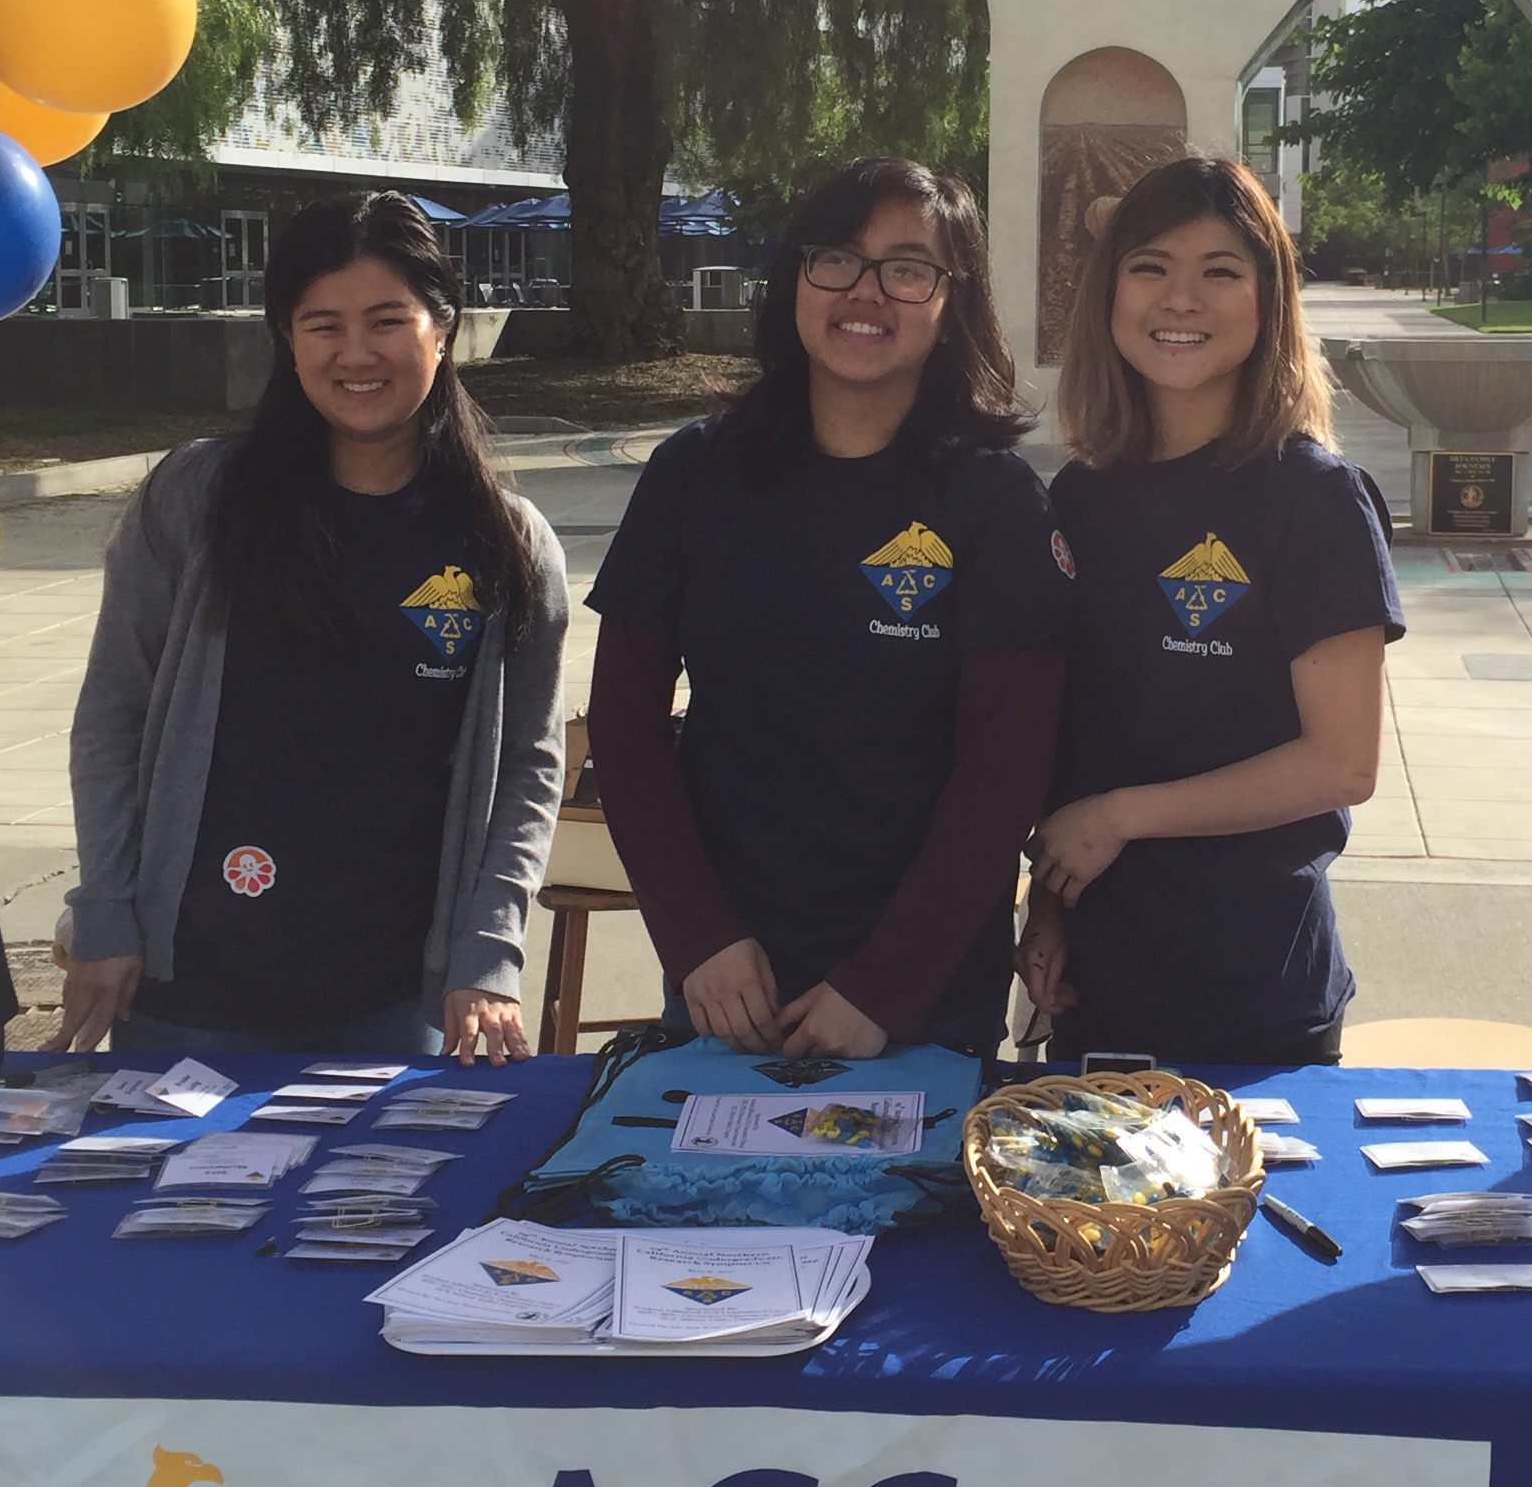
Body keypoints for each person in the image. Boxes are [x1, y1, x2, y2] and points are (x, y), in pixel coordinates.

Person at [54, 192, 569, 1059]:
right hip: (188, 992)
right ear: (286, 340)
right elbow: (114, 714)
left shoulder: (506, 544)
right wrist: (106, 909)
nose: (356, 354)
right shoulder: (200, 501)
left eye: (387, 321)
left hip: (397, 1001)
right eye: (322, 325)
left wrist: (489, 951)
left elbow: (527, 765)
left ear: (443, 329)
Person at [586, 157, 1069, 1060]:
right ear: (794, 278)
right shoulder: (695, 474)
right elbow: (623, 720)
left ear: (951, 299)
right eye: (837, 259)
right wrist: (697, 936)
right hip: (729, 984)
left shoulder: (994, 501)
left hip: (924, 1002)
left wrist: (884, 985)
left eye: (908, 267)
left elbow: (1006, 771)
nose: (866, 292)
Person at [1020, 156, 1402, 1066]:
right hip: (1098, 983)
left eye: (1220, 272)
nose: (1180, 300)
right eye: (1150, 267)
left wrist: (1118, 818)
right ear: (1110, 292)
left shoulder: (1315, 499)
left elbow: (1342, 764)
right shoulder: (1080, 495)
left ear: (1268, 301)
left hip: (1254, 994)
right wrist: (1050, 904)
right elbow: (1074, 735)